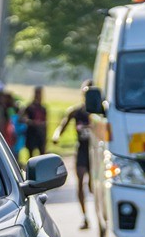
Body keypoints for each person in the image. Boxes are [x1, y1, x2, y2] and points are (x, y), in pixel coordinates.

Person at [55, 83, 94, 228]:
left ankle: (100, 213)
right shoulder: (76, 112)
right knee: (80, 181)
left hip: (94, 152)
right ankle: (85, 217)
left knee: (92, 186)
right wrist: (57, 136)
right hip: (82, 150)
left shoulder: (97, 113)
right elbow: (62, 126)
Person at [23, 86, 49, 160]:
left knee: (42, 156)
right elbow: (23, 119)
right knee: (31, 155)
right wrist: (33, 123)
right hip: (32, 133)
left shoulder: (43, 108)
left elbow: (45, 122)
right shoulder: (29, 107)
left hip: (40, 135)